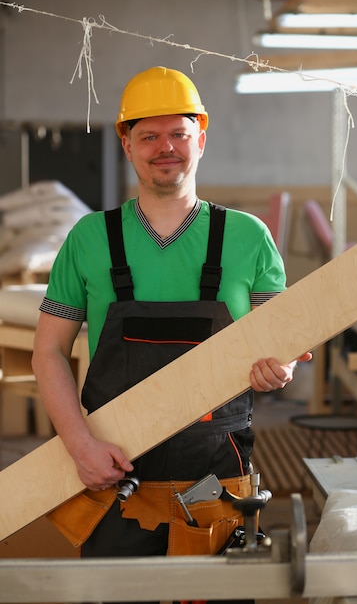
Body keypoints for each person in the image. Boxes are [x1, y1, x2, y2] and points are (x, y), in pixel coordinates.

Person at [32, 66, 311, 596]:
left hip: (216, 483)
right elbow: (48, 353)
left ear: (201, 139)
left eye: (179, 134)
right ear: (127, 143)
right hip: (112, 478)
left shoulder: (248, 237)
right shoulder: (90, 238)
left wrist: (282, 370)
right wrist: (79, 446)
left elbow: (285, 347)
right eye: (150, 136)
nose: (166, 148)